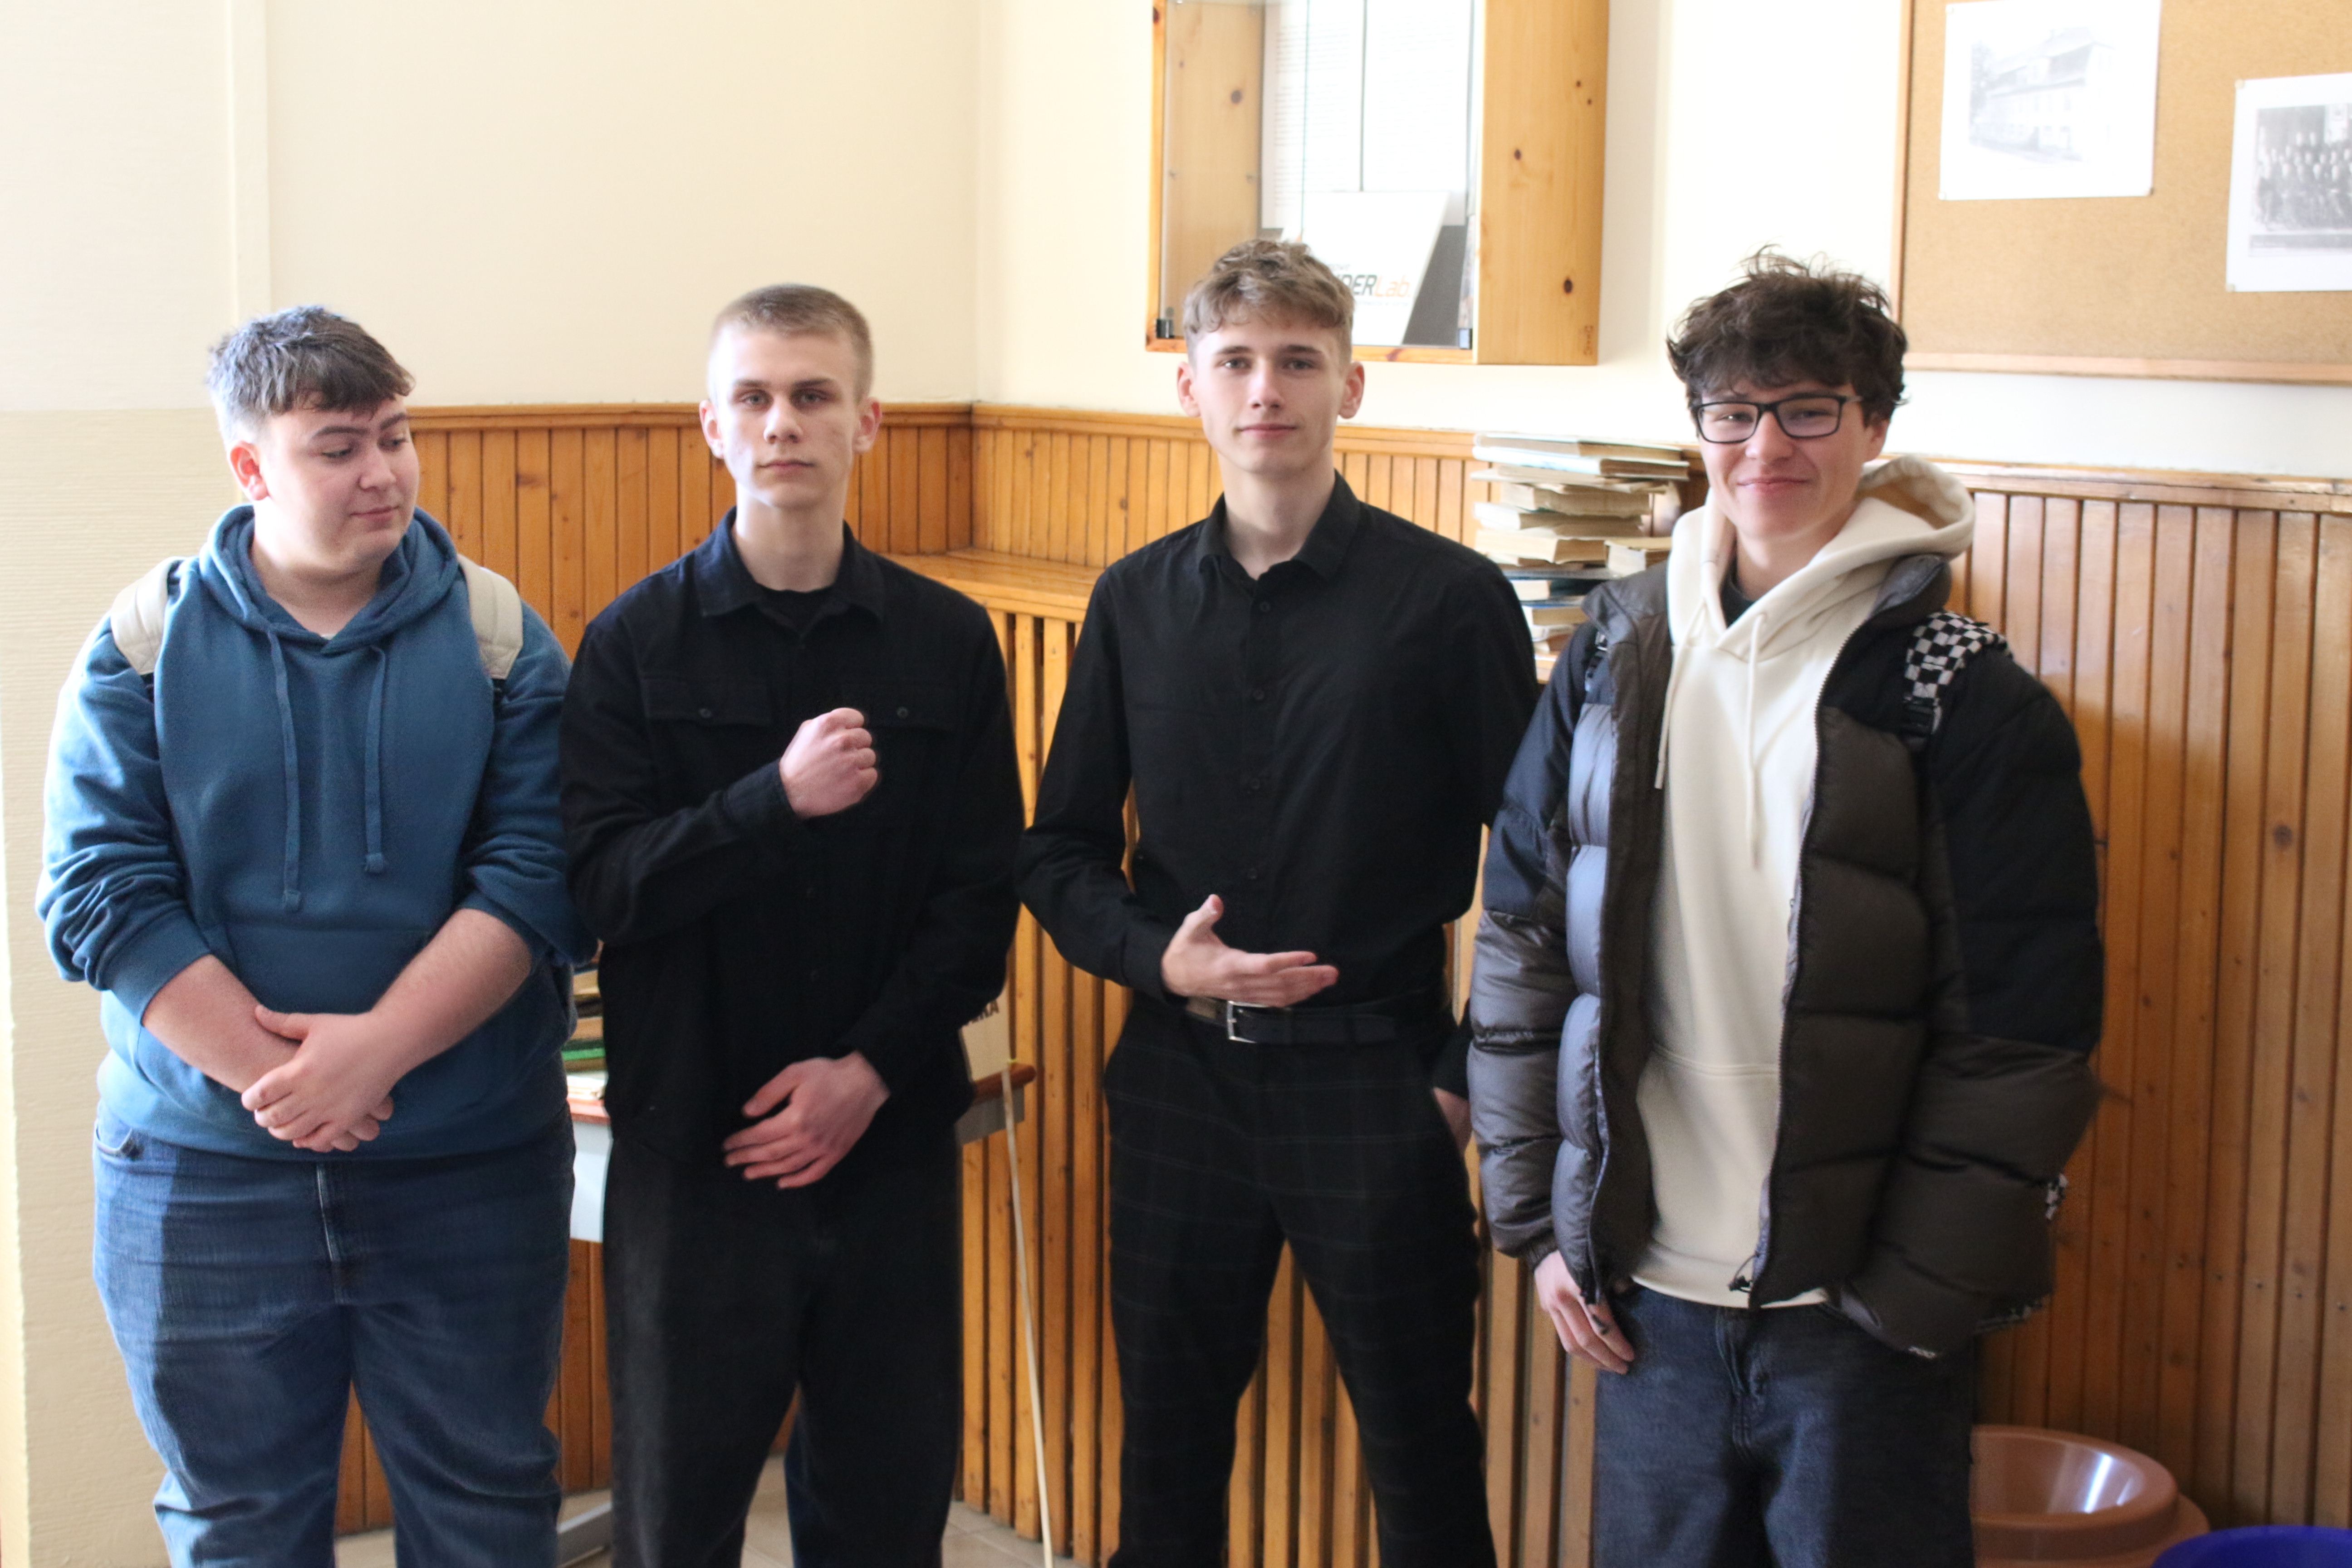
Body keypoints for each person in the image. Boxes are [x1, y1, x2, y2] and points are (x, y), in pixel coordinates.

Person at [1466, 250, 2104, 1568]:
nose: (1767, 447)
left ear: (1874, 426)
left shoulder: (1960, 692)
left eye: (1810, 410)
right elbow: (1524, 943)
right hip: (1646, 1297)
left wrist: (1913, 1296)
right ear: (1698, 427)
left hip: (1860, 1314)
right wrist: (1542, 1228)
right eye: (1735, 412)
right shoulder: (1615, 651)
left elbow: (2025, 1037)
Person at [39, 306, 594, 1567]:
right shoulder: (140, 647)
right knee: (237, 1523)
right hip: (200, 1175)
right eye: (339, 448)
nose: (383, 472)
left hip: (466, 1168)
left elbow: (537, 878)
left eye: (395, 436)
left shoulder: (503, 641)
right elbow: (100, 893)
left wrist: (374, 1056)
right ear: (252, 467)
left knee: (487, 1510)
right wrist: (287, 1086)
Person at [1019, 240, 1534, 1567]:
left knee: (1423, 1451)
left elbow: (1546, 866)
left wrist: (1465, 1073)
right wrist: (1161, 962)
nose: (1267, 390)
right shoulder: (1133, 600)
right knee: (1167, 1449)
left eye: (1299, 362)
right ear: (1190, 387)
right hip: (1179, 1078)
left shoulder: (1452, 601)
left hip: (1381, 1080)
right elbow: (1061, 852)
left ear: (1349, 387)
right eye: (1237, 362)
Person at [561, 284, 1022, 1568]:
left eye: (814, 396)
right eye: (754, 398)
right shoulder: (633, 643)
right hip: (695, 1154)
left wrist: (865, 1073)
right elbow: (604, 888)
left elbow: (980, 902)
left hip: (887, 1144)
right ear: (712, 425)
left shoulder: (946, 642)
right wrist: (770, 802)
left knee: (886, 1511)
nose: (784, 424)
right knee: (679, 1517)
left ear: (867, 421)